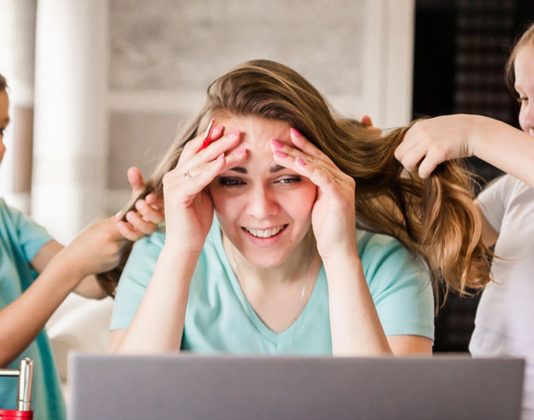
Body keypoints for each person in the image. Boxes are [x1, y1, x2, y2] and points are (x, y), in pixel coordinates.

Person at [106, 59, 492, 358]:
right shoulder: (159, 254)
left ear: (325, 177)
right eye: (233, 180)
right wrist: (180, 251)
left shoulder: (388, 266)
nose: (261, 209)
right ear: (204, 185)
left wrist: (341, 257)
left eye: (287, 178)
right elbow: (123, 419)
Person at [0, 73, 162, 420]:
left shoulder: (7, 220)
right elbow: (68, 271)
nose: (2, 148)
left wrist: (126, 233)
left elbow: (89, 282)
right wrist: (71, 265)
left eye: (3, 130)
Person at [394, 23, 534, 420]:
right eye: (524, 98)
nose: (527, 117)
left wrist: (474, 132)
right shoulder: (519, 186)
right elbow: (456, 233)